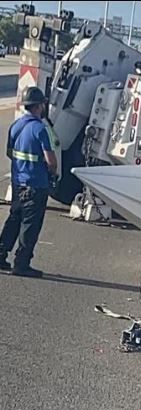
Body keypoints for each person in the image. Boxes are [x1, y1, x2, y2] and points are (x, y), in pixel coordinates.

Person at [0, 86, 58, 277]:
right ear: (40, 106)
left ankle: (0, 256)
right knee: (30, 226)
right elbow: (51, 161)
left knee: (14, 220)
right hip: (36, 186)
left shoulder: (16, 126)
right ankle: (21, 264)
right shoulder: (41, 129)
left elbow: (10, 153)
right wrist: (52, 173)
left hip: (18, 183)